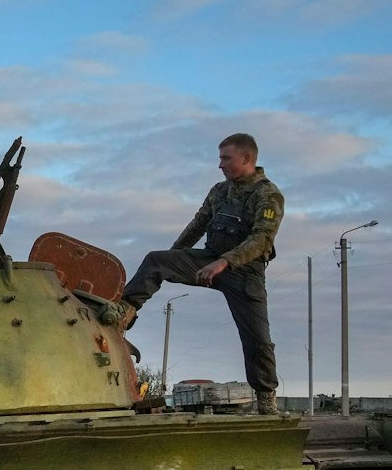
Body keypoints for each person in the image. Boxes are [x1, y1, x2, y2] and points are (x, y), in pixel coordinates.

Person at [116, 133, 284, 415]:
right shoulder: (219, 191)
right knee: (156, 260)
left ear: (247, 159)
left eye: (225, 158)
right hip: (208, 260)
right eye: (220, 158)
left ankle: (266, 398)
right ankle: (126, 310)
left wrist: (225, 263)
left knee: (257, 339)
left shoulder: (268, 195)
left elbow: (262, 239)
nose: (220, 165)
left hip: (245, 271)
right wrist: (176, 257)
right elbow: (197, 225)